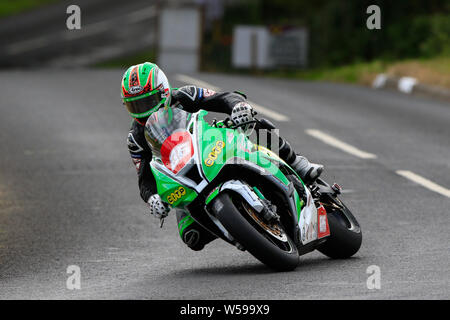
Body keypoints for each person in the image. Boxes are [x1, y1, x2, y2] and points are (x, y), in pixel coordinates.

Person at [122, 62, 323, 251]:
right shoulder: (136, 138)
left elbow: (222, 98)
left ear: (164, 91)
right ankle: (240, 228)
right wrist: (152, 198)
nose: (143, 111)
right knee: (192, 236)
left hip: (211, 146)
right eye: (135, 106)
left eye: (147, 102)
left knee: (258, 126)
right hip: (183, 177)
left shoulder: (185, 96)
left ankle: (296, 162)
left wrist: (238, 107)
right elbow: (144, 179)